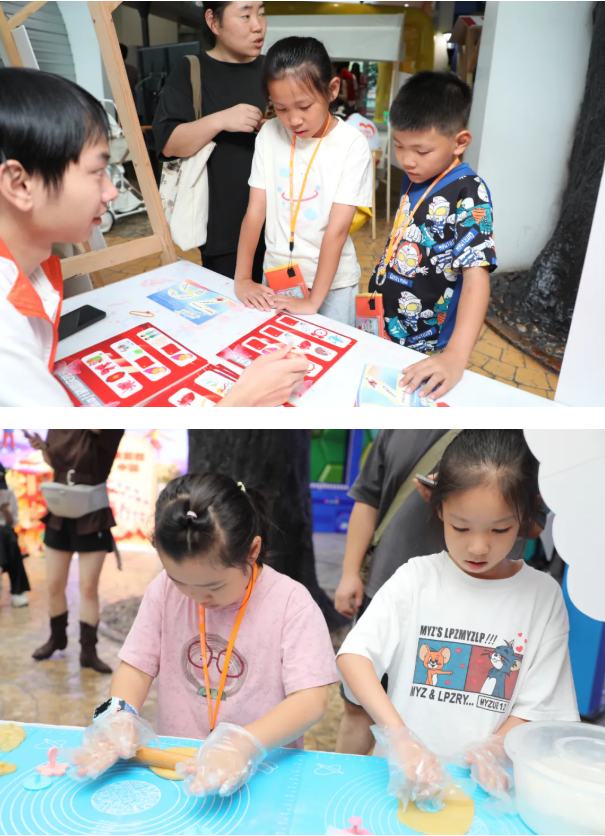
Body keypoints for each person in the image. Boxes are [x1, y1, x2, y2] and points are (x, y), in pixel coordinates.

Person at [0, 67, 307, 408]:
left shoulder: (33, 272)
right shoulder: (6, 331)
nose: (111, 193)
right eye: (97, 172)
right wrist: (245, 399)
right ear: (19, 184)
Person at [337, 430, 579, 811]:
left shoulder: (542, 598)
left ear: (526, 515)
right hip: (402, 784)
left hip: (483, 794)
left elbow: (541, 707)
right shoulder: (416, 579)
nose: (478, 546)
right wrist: (399, 737)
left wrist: (494, 749)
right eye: (461, 527)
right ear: (439, 508)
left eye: (500, 529)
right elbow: (354, 657)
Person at [68, 473, 338, 798]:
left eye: (213, 587)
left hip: (263, 767)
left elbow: (311, 700)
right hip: (179, 761)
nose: (196, 597)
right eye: (180, 581)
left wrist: (243, 745)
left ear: (252, 551)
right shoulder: (164, 591)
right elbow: (137, 666)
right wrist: (118, 714)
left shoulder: (291, 605)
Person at [369, 71, 497, 400]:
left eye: (421, 151)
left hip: (427, 343)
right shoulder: (415, 176)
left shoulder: (469, 191)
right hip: (386, 324)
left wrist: (455, 356)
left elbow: (477, 277)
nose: (407, 160)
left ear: (460, 142)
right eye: (399, 146)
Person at [234, 37, 373, 327]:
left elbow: (337, 230)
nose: (293, 120)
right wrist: (243, 278)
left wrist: (312, 301)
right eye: (281, 108)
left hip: (332, 286)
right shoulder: (269, 134)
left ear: (332, 90)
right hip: (276, 277)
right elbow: (255, 211)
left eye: (304, 106)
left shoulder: (352, 144)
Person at [153, 1, 267, 281]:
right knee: (232, 303)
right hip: (223, 229)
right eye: (245, 15)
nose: (258, 25)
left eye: (262, 13)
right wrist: (220, 120)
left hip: (281, 226)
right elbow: (168, 144)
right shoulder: (192, 70)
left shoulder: (273, 69)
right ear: (214, 22)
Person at [29, 430, 124, 675]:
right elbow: (55, 463)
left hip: (92, 512)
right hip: (60, 510)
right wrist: (43, 448)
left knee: (88, 587)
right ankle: (57, 638)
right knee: (53, 585)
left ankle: (88, 651)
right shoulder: (58, 425)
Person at [0, 461, 30, 608]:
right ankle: (18, 590)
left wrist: (5, 510)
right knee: (9, 545)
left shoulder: (8, 492)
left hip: (5, 532)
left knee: (9, 541)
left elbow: (12, 522)